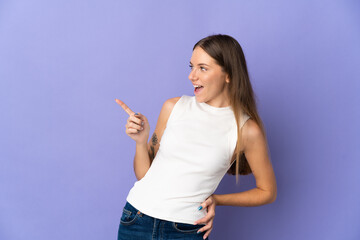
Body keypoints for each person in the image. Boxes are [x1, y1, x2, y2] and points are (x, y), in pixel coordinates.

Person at [115, 34, 277, 240]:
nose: (192, 76)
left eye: (202, 68)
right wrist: (140, 141)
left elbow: (267, 191)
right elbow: (143, 176)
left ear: (229, 74)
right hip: (135, 219)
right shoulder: (173, 107)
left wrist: (217, 199)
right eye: (191, 66)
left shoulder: (246, 130)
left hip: (186, 230)